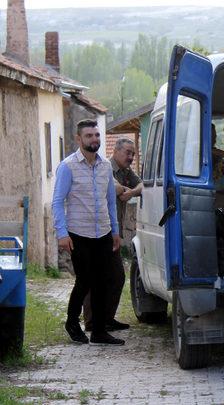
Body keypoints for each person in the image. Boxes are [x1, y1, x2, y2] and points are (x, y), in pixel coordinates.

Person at [52, 119, 124, 346]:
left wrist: (115, 230)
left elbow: (111, 202)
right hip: (78, 234)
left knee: (103, 280)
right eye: (89, 136)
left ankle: (99, 331)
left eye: (96, 135)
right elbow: (57, 202)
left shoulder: (105, 167)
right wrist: (62, 233)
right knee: (85, 281)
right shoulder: (68, 166)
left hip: (103, 232)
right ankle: (72, 322)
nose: (94, 139)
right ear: (79, 139)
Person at [82, 137, 141, 332]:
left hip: (111, 232)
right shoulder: (105, 165)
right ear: (115, 151)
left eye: (133, 153)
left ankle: (106, 318)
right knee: (98, 277)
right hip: (97, 230)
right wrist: (124, 189)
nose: (131, 157)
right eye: (127, 153)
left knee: (115, 277)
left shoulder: (125, 171)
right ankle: (92, 322)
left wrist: (131, 192)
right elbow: (113, 187)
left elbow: (143, 185)